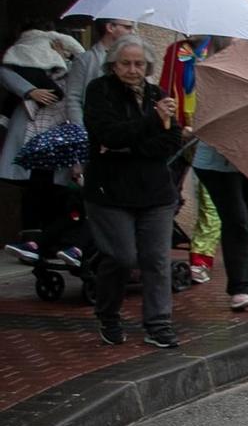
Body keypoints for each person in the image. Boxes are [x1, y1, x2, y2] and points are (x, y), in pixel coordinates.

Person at [79, 35, 183, 348]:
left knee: (156, 260)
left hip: (155, 193)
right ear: (113, 64)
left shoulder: (157, 94)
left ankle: (158, 324)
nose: (133, 69)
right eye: (126, 63)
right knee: (122, 257)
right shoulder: (100, 92)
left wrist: (127, 145)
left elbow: (169, 143)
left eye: (139, 64)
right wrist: (151, 122)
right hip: (110, 192)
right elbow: (106, 132)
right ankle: (108, 314)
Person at [190, 54, 248, 312]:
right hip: (218, 164)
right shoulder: (221, 80)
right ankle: (238, 288)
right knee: (236, 221)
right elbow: (209, 121)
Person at [2, 27, 85, 265]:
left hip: (58, 134)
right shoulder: (21, 64)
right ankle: (30, 242)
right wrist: (30, 91)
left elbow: (75, 89)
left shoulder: (71, 66)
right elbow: (6, 73)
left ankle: (48, 242)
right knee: (32, 190)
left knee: (56, 190)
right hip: (31, 132)